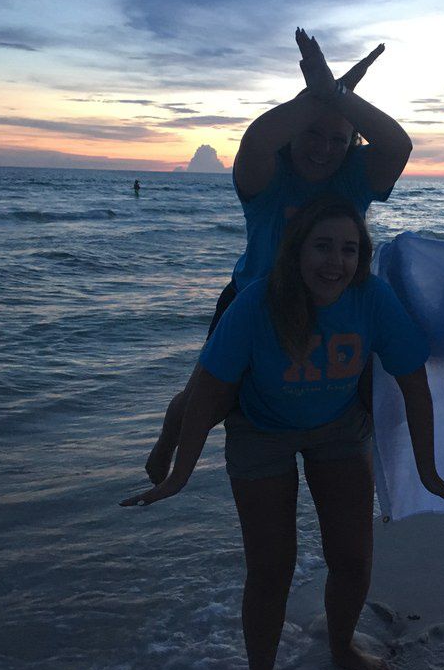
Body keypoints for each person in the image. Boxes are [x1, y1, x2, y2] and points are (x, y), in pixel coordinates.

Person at [122, 197, 444, 670]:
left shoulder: (371, 296)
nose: (336, 262)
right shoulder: (257, 302)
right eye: (322, 246)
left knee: (353, 559)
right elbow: (206, 395)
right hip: (260, 428)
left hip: (338, 425)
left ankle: (342, 647)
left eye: (349, 249)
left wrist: (428, 471)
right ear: (297, 251)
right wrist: (180, 473)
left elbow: (413, 381)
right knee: (271, 570)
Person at [144, 28, 411, 486]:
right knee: (207, 400)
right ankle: (169, 440)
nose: (324, 148)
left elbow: (398, 146)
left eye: (338, 139)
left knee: (365, 398)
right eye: (313, 134)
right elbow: (257, 139)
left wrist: (337, 94)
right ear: (293, 133)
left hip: (334, 306)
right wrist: (323, 91)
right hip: (253, 303)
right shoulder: (268, 174)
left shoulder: (354, 177)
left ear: (351, 144)